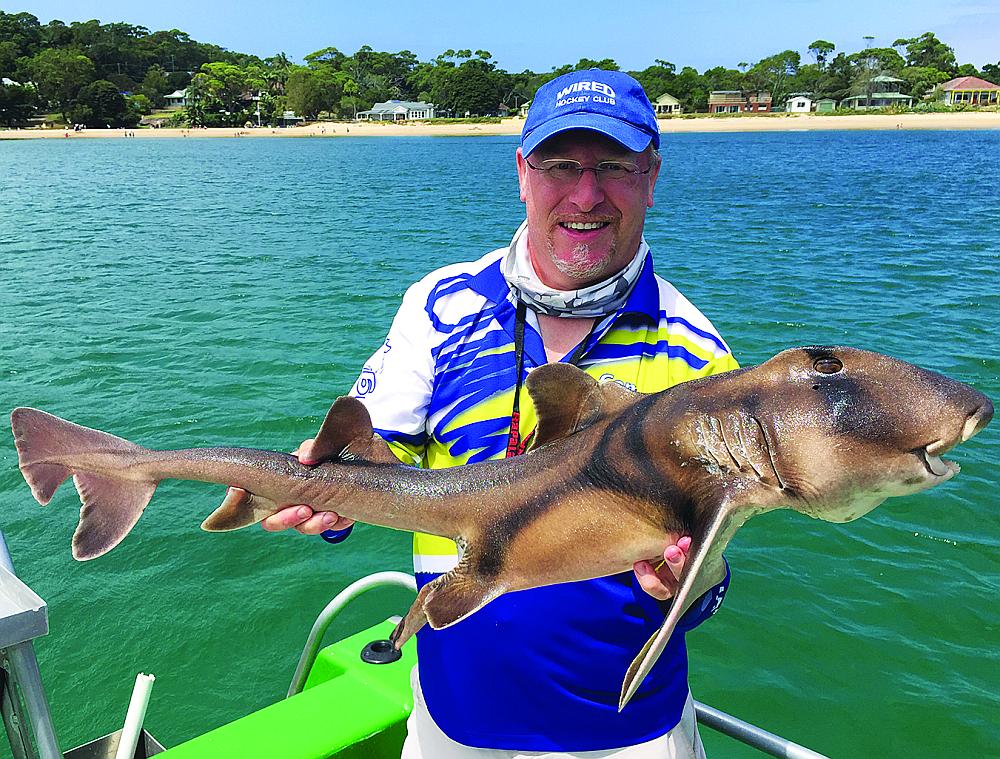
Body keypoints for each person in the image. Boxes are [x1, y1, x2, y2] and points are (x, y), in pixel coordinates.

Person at [259, 69, 738, 758]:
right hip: (453, 712)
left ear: (651, 176)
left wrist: (690, 586)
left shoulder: (699, 358)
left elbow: (713, 579)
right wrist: (327, 502)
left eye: (613, 166)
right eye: (559, 165)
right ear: (522, 172)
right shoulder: (440, 305)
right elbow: (373, 462)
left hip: (627, 730)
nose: (585, 193)